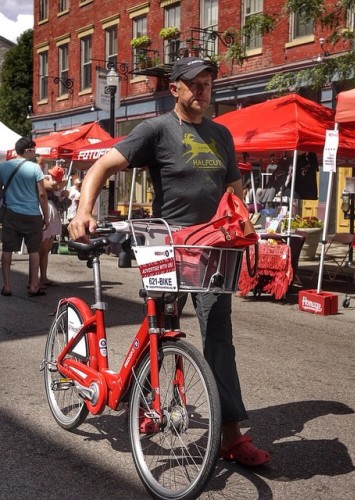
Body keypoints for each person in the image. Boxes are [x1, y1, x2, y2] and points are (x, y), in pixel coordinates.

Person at [68, 56, 270, 466]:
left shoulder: (221, 135)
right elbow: (103, 165)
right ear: (175, 88)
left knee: (219, 339)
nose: (202, 90)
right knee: (159, 329)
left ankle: (231, 435)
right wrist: (83, 210)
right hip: (169, 248)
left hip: (214, 250)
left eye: (208, 83)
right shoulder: (156, 129)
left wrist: (246, 223)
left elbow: (234, 190)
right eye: (193, 83)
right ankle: (146, 403)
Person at [0, 137, 49, 297]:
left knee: (7, 249)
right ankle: (34, 286)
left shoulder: (3, 167)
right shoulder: (35, 168)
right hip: (32, 215)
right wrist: (46, 216)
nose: (35, 154)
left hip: (11, 214)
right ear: (27, 151)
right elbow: (42, 194)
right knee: (34, 251)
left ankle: (7, 286)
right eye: (33, 151)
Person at [38, 166, 68, 287]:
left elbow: (59, 196)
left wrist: (65, 193)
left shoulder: (56, 183)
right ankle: (36, 279)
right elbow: (52, 186)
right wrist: (61, 184)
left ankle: (43, 277)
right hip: (46, 211)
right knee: (40, 249)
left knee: (46, 249)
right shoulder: (46, 180)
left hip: (52, 212)